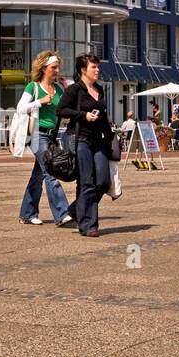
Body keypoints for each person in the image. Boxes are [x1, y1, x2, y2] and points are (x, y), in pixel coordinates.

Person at [57, 53, 112, 237]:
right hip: (79, 138)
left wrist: (111, 136)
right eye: (93, 67)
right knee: (86, 181)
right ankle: (89, 225)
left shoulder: (99, 89)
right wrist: (83, 115)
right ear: (83, 70)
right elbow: (61, 110)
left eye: (97, 66)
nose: (97, 70)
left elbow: (103, 116)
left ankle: (75, 209)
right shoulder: (75, 90)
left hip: (98, 139)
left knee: (103, 181)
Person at [17, 50, 74, 227]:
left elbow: (70, 107)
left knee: (38, 176)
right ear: (43, 68)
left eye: (58, 67)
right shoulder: (33, 87)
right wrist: (39, 102)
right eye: (53, 67)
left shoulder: (57, 89)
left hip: (52, 136)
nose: (57, 71)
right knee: (51, 171)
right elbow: (20, 108)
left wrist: (69, 87)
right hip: (36, 135)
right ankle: (62, 213)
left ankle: (27, 213)